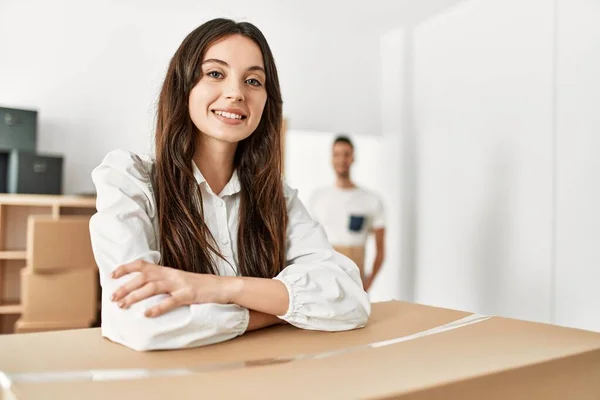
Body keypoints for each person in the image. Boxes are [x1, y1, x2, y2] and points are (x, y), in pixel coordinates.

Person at [89, 18, 370, 352]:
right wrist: (275, 310)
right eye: (215, 73)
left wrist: (217, 288)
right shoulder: (129, 179)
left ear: (267, 102)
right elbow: (141, 321)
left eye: (253, 80)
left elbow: (350, 299)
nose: (236, 93)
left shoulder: (278, 198)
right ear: (184, 86)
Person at [309, 136, 385, 292]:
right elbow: (309, 242)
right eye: (337, 154)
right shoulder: (318, 198)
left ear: (353, 158)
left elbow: (381, 249)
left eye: (346, 154)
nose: (341, 159)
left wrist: (368, 283)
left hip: (355, 282)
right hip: (324, 281)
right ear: (331, 158)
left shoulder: (371, 200)